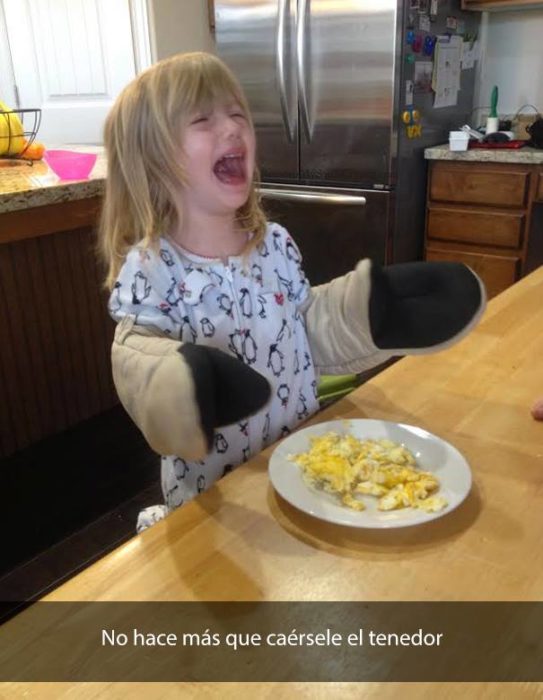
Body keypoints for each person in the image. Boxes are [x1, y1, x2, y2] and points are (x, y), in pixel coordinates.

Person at [99, 52, 486, 532]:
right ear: (152, 159)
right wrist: (174, 384)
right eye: (202, 120)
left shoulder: (275, 246)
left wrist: (367, 316)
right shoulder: (151, 269)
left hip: (304, 465)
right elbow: (135, 358)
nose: (232, 128)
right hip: (218, 501)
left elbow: (305, 329)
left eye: (238, 114)